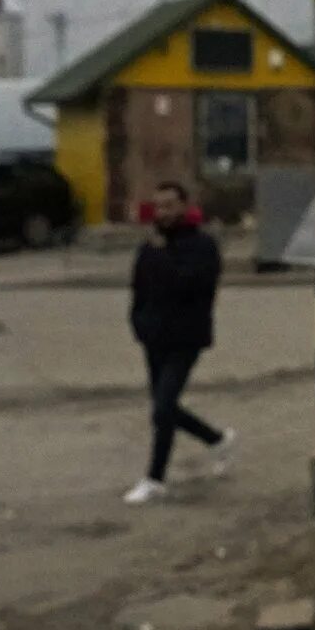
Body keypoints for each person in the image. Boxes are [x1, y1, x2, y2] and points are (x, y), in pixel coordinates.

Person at [124, 181, 232, 505]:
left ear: (185, 206)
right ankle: (217, 439)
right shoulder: (150, 247)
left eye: (170, 205)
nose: (164, 213)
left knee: (163, 406)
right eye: (158, 206)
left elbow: (190, 285)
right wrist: (138, 323)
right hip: (154, 337)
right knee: (163, 409)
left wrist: (160, 255)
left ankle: (155, 479)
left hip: (186, 337)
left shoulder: (202, 245)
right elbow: (138, 288)